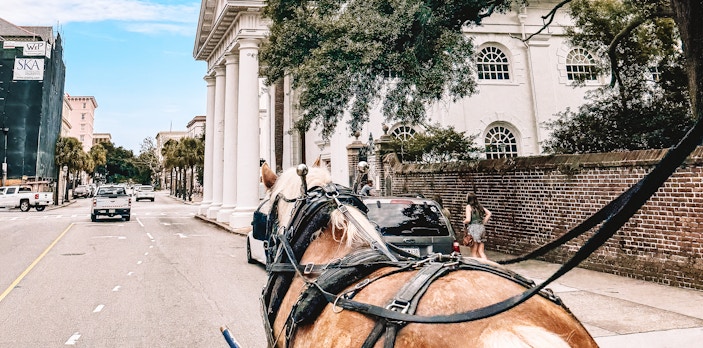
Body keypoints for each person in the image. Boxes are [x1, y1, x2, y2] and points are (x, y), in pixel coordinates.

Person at [463, 192, 491, 260]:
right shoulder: (479, 206)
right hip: (481, 228)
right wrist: (483, 222)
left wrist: (464, 221)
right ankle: (486, 266)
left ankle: (477, 268)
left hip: (474, 229)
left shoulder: (468, 206)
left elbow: (468, 219)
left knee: (474, 252)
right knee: (481, 252)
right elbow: (489, 213)